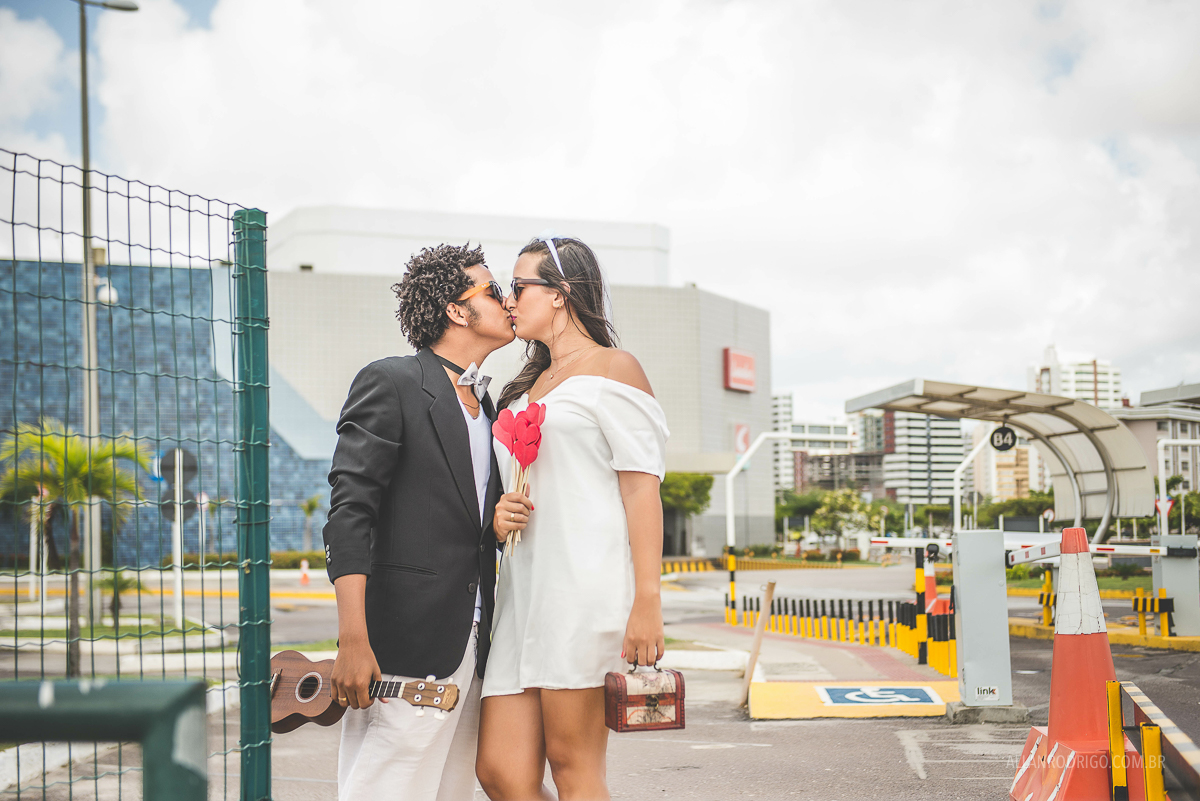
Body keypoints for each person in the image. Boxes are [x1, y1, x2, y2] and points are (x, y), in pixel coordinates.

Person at [475, 235, 669, 801]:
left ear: (559, 293)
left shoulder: (615, 369)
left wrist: (647, 600)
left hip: (584, 593)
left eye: (519, 287)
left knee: (573, 766)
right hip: (521, 598)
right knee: (501, 772)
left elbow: (642, 491)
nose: (508, 300)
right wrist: (499, 515)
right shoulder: (525, 385)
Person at [322, 242, 515, 800]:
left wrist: (496, 522)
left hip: (473, 647)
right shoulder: (393, 382)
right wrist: (352, 639)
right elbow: (350, 512)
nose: (507, 301)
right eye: (493, 290)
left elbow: (458, 524)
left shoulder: (490, 409)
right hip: (404, 645)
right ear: (457, 310)